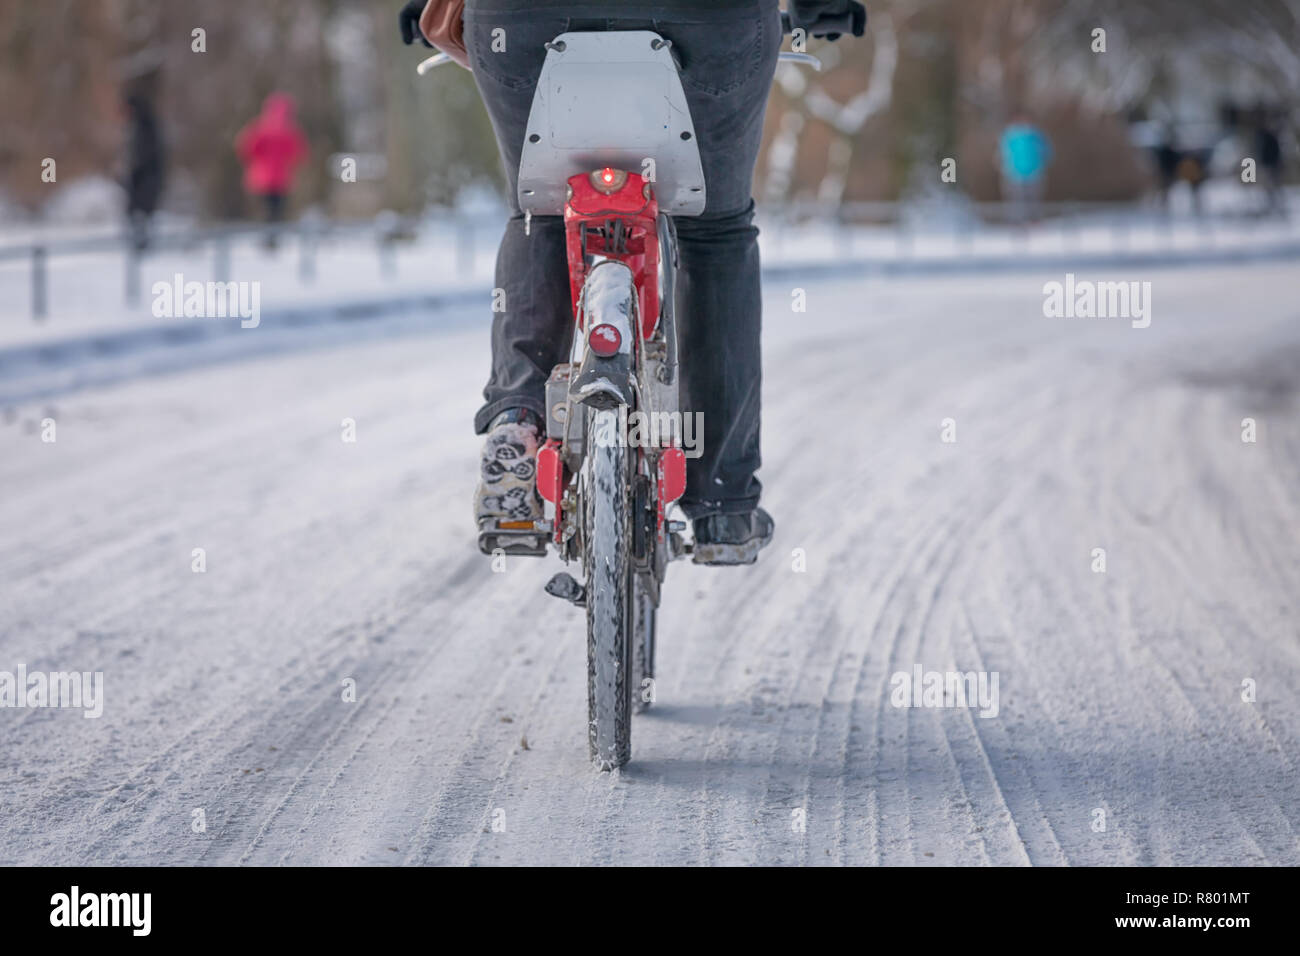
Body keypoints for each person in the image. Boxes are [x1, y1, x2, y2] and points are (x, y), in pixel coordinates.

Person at [401, 0, 866, 565]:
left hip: (525, 19)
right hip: (710, 25)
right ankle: (723, 504)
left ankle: (517, 421)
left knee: (541, 215)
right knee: (714, 229)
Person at [235, 93, 309, 231]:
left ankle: (265, 235)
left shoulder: (259, 127)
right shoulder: (290, 130)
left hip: (261, 177)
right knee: (277, 210)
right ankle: (273, 237)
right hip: (282, 178)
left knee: (264, 209)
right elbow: (300, 153)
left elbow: (246, 148)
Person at [123, 92, 165, 252]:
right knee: (136, 212)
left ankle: (143, 242)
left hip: (147, 177)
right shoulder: (138, 124)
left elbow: (147, 153)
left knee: (142, 211)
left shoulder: (146, 125)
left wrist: (137, 169)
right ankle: (140, 241)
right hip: (141, 176)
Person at [998, 114, 1052, 223]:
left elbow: (1046, 151)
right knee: (1017, 200)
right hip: (1015, 174)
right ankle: (1017, 221)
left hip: (1033, 172)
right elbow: (1003, 154)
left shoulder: (1036, 136)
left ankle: (1033, 220)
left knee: (1032, 199)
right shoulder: (1010, 136)